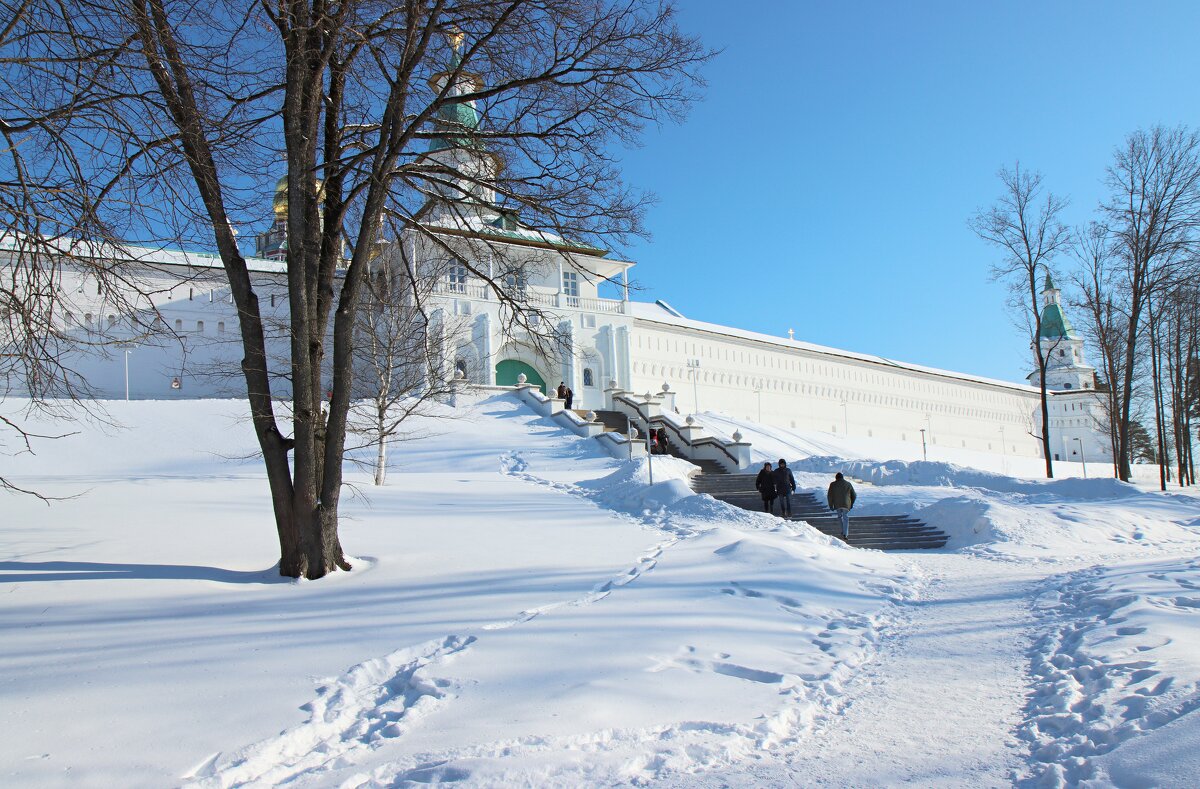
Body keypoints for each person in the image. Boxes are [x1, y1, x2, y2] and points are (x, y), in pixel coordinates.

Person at [826, 472, 857, 539]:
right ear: (842, 477)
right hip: (846, 504)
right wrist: (851, 504)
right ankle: (845, 534)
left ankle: (842, 531)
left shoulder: (833, 484)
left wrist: (831, 505)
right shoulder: (848, 484)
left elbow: (829, 496)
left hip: (837, 504)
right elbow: (854, 495)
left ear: (836, 478)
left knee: (839, 517)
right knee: (845, 518)